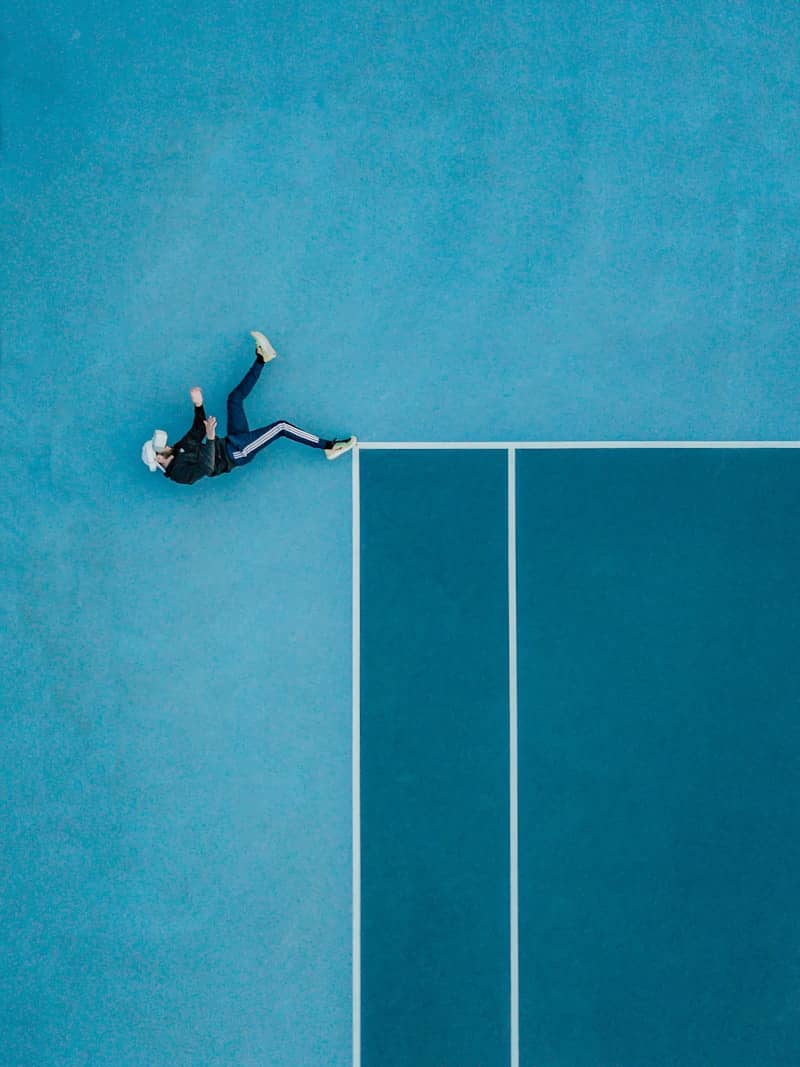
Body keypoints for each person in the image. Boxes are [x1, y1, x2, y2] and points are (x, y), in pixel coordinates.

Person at [141, 332, 356, 485]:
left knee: (233, 399)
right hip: (237, 453)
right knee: (281, 427)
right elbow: (206, 468)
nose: (164, 445)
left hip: (231, 441)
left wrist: (198, 405)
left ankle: (262, 358)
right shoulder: (180, 475)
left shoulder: (178, 448)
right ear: (158, 459)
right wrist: (211, 437)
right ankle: (329, 446)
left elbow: (197, 430)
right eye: (159, 448)